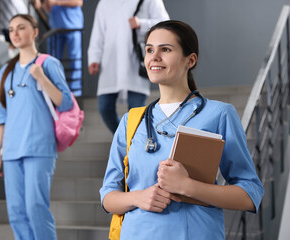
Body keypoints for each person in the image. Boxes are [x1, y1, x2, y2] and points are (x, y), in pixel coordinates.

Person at [100, 20, 264, 239]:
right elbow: (108, 196)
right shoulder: (132, 120)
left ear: (191, 60)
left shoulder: (219, 114)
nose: (154, 57)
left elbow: (249, 194)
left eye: (165, 49)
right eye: (149, 50)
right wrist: (137, 198)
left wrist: (188, 186)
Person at [0, 14, 73, 240]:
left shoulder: (47, 63)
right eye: (11, 29)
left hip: (39, 147)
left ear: (35, 32)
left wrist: (42, 79)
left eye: (21, 28)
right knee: (16, 212)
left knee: (36, 208)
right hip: (11, 151)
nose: (15, 33)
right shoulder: (5, 72)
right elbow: (0, 115)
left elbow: (66, 102)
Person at [88, 0, 169, 134]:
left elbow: (165, 24)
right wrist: (94, 58)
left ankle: (131, 145)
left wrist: (141, 24)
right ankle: (127, 141)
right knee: (105, 108)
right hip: (110, 64)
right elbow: (98, 33)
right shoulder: (105, 3)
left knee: (135, 113)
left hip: (135, 64)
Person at [40, 0, 84, 97]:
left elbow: (78, 2)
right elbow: (47, 6)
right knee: (52, 60)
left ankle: (75, 92)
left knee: (75, 60)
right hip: (55, 27)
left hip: (73, 25)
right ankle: (54, 88)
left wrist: (56, 2)